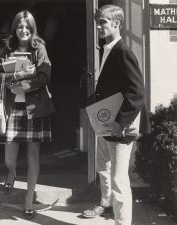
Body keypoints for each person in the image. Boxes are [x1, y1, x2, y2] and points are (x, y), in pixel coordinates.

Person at [82, 5, 150, 225]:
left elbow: (137, 93)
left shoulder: (123, 52)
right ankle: (106, 204)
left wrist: (121, 123)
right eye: (97, 22)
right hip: (107, 123)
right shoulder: (107, 49)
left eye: (103, 21)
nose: (99, 26)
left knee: (120, 180)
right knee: (103, 167)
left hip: (120, 125)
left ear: (117, 23)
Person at [0, 10, 55, 219]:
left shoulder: (39, 47)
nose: (24, 30)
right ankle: (11, 172)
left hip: (33, 109)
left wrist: (25, 86)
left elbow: (45, 75)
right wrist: (13, 78)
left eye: (28, 27)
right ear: (15, 28)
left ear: (32, 28)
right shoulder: (6, 47)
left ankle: (28, 199)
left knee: (33, 155)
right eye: (20, 26)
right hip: (12, 107)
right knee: (9, 155)